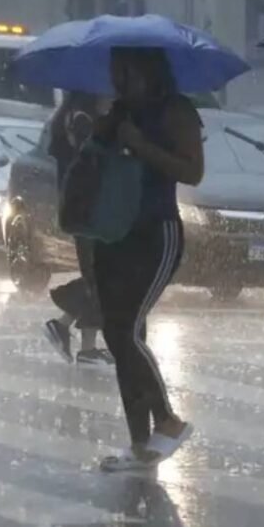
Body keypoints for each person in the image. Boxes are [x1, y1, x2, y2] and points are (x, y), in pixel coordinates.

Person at [90, 47, 204, 472]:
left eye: (126, 70)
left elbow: (192, 172)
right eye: (115, 71)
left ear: (148, 70)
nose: (119, 79)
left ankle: (167, 420)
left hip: (156, 232)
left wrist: (141, 146)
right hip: (113, 232)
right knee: (119, 335)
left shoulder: (176, 111)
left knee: (126, 329)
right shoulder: (119, 111)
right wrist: (101, 132)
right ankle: (140, 443)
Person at [43, 92, 113, 364]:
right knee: (100, 278)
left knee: (98, 277)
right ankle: (69, 332)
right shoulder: (83, 122)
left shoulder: (69, 119)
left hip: (81, 211)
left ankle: (82, 342)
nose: (110, 97)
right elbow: (93, 164)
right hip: (89, 212)